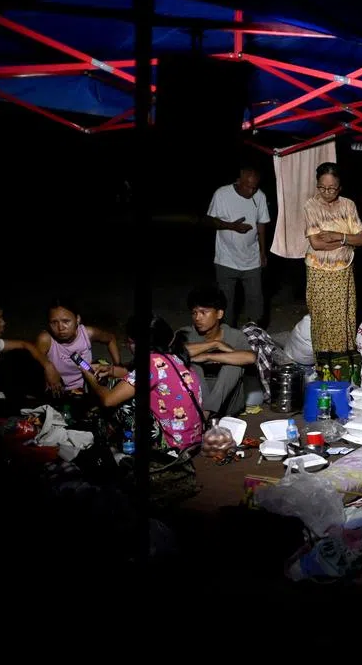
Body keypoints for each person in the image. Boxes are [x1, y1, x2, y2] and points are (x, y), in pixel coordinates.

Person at [81, 316, 205, 453]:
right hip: (192, 440)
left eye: (129, 342)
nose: (128, 346)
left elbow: (108, 400)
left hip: (172, 446)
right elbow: (144, 375)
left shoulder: (149, 363)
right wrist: (111, 370)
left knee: (122, 397)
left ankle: (116, 441)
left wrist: (90, 377)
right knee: (124, 386)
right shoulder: (174, 355)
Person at [303, 162, 362, 354]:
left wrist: (338, 236)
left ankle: (343, 363)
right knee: (322, 319)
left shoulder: (348, 205)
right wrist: (348, 241)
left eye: (332, 188)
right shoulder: (311, 206)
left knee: (343, 319)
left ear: (340, 187)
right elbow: (316, 244)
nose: (327, 192)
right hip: (318, 272)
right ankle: (323, 364)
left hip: (343, 271)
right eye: (322, 187)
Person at [205, 165, 270, 327]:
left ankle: (255, 335)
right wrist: (232, 226)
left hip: (252, 259)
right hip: (226, 259)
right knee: (226, 302)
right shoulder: (222, 194)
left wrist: (263, 253)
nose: (251, 191)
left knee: (256, 301)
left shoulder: (259, 196)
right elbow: (210, 220)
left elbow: (261, 225)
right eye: (247, 186)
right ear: (238, 181)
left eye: (254, 187)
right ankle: (227, 336)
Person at [183, 285, 257, 418]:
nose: (197, 318)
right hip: (195, 402)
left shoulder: (234, 335)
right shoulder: (186, 334)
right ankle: (205, 412)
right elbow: (174, 353)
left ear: (219, 314)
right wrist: (214, 344)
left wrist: (207, 356)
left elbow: (250, 358)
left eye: (203, 312)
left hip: (228, 404)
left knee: (233, 365)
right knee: (192, 365)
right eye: (194, 313)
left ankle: (206, 413)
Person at [34, 298, 121, 394]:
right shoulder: (46, 339)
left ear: (77, 319)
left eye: (66, 321)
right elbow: (33, 362)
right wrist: (47, 366)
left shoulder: (87, 333)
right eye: (54, 322)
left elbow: (110, 339)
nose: (60, 328)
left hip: (89, 385)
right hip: (60, 391)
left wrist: (117, 367)